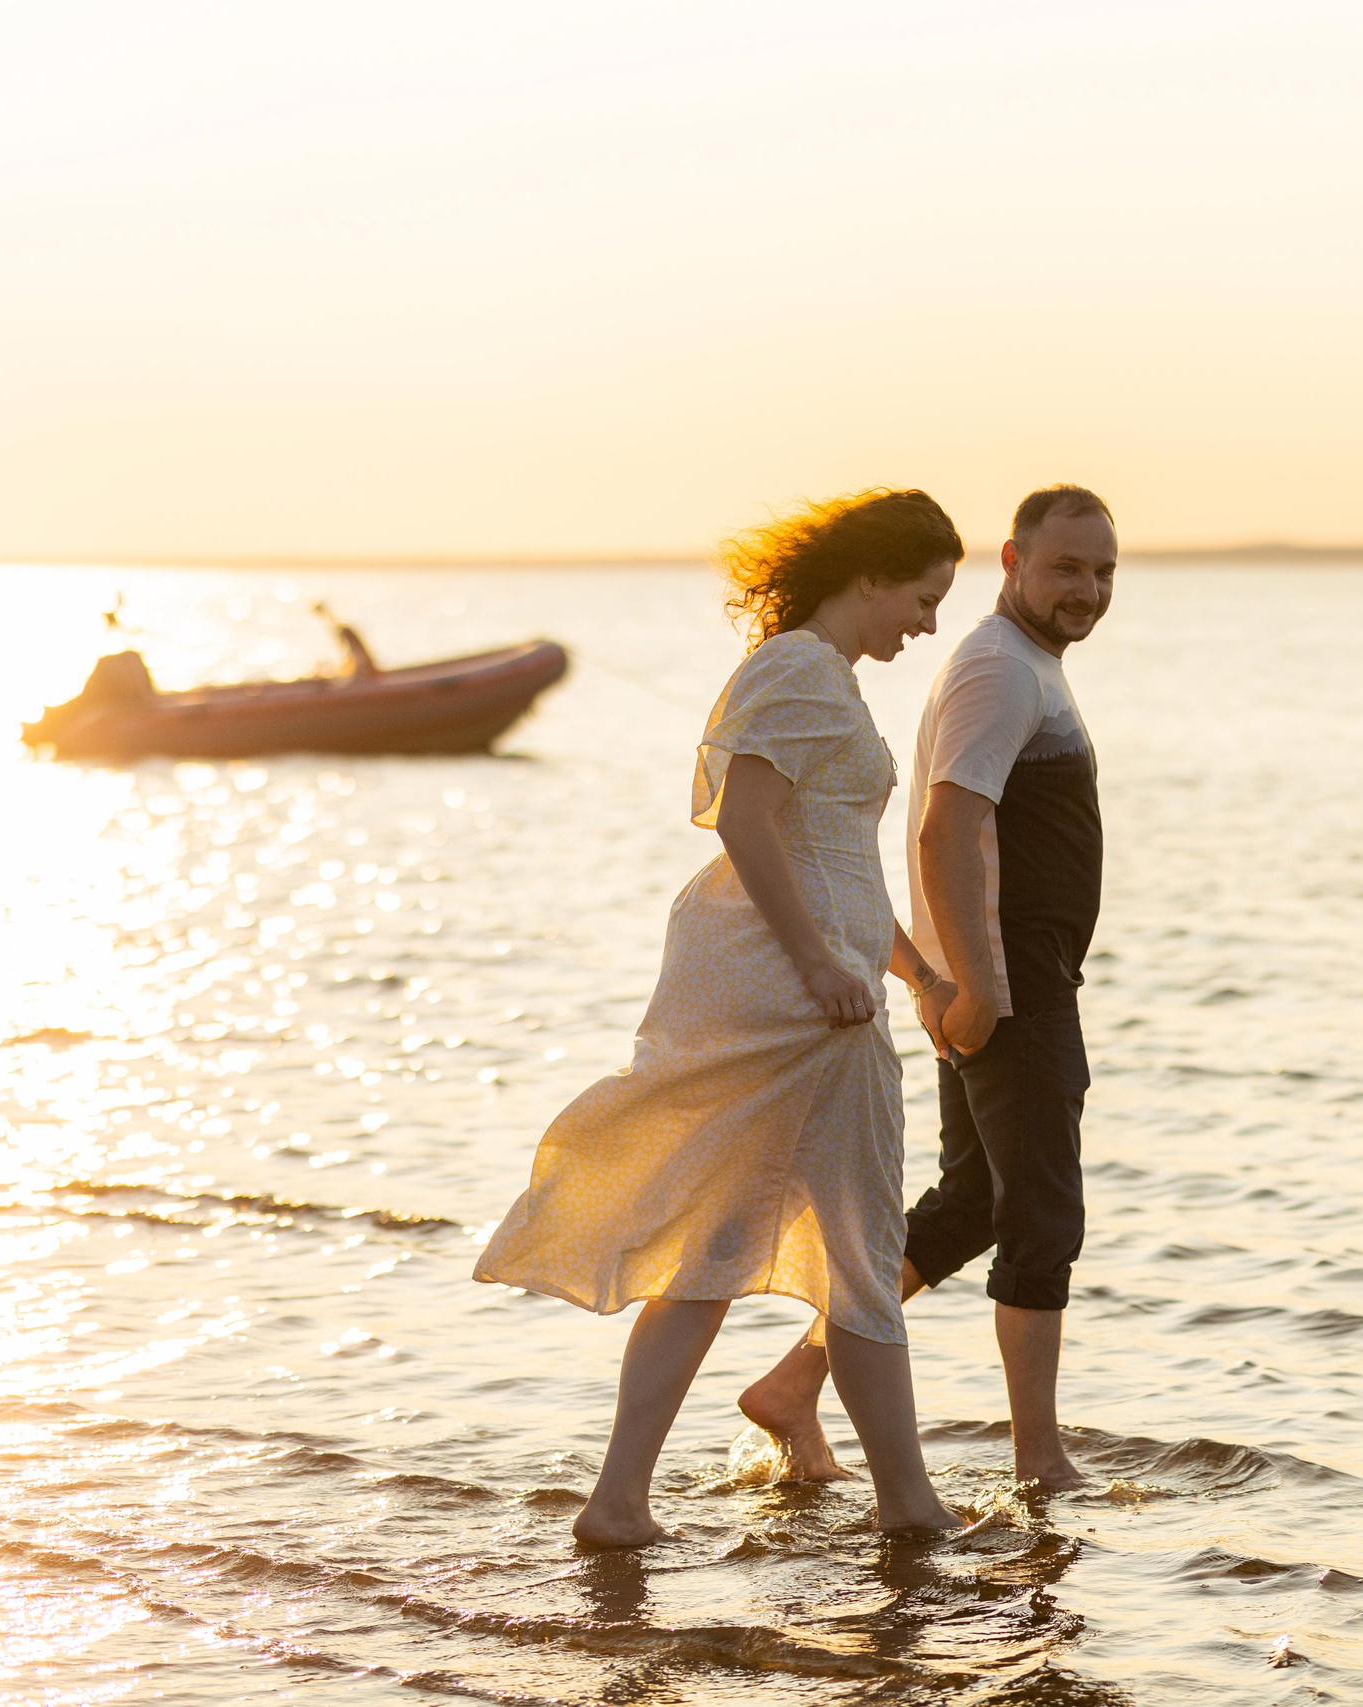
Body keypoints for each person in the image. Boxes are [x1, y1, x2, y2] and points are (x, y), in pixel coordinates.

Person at [472, 488, 971, 1547]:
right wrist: (823, 965)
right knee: (863, 1245)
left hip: (819, 983)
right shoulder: (799, 667)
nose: (927, 625)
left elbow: (835, 856)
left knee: (714, 1252)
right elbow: (749, 823)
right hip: (808, 1006)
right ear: (873, 574)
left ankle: (618, 1505)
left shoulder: (817, 673)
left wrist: (917, 971)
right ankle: (909, 1506)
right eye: (923, 599)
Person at [735, 484, 1117, 1494]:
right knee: (1041, 1214)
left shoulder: (1020, 666)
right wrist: (976, 986)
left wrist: (946, 978)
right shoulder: (999, 670)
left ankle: (791, 1382)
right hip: (1013, 984)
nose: (1087, 589)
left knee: (975, 1202)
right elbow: (949, 827)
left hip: (1000, 976)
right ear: (1014, 560)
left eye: (1103, 572)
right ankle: (1041, 1461)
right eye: (1067, 568)